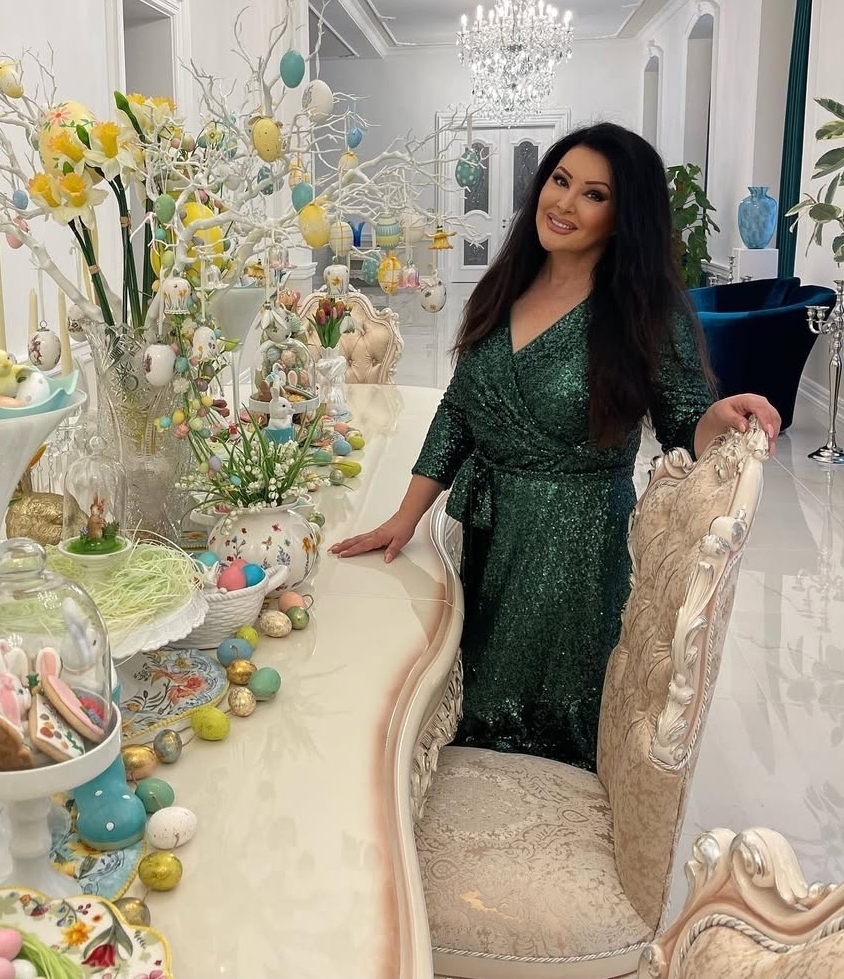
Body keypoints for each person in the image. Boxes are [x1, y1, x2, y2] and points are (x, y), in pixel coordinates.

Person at [330, 123, 779, 770]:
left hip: (572, 552)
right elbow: (460, 410)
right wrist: (405, 517)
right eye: (560, 181)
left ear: (623, 218)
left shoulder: (643, 309)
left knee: (539, 731)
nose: (564, 203)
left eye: (593, 194)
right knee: (463, 700)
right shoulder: (509, 283)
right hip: (490, 537)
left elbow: (683, 422)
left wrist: (717, 415)